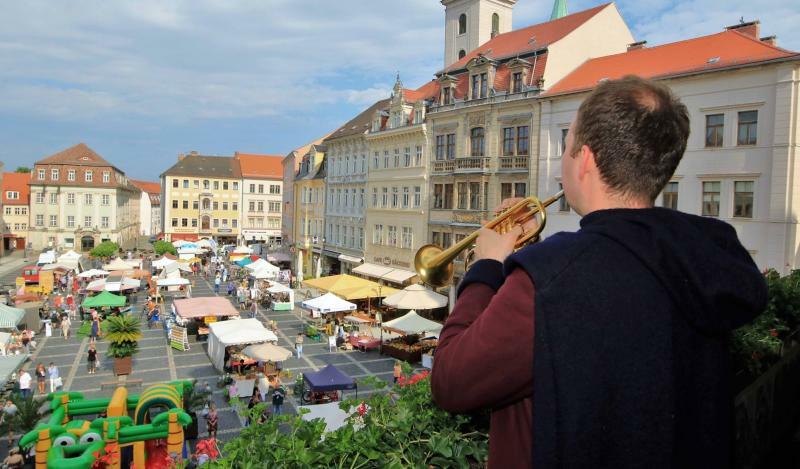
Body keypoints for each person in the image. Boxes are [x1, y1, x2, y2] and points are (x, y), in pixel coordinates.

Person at [430, 76, 768, 468]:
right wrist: (532, 255)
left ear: (585, 160)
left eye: (567, 147)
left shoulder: (550, 281)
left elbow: (451, 382)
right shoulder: (701, 254)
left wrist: (487, 266)